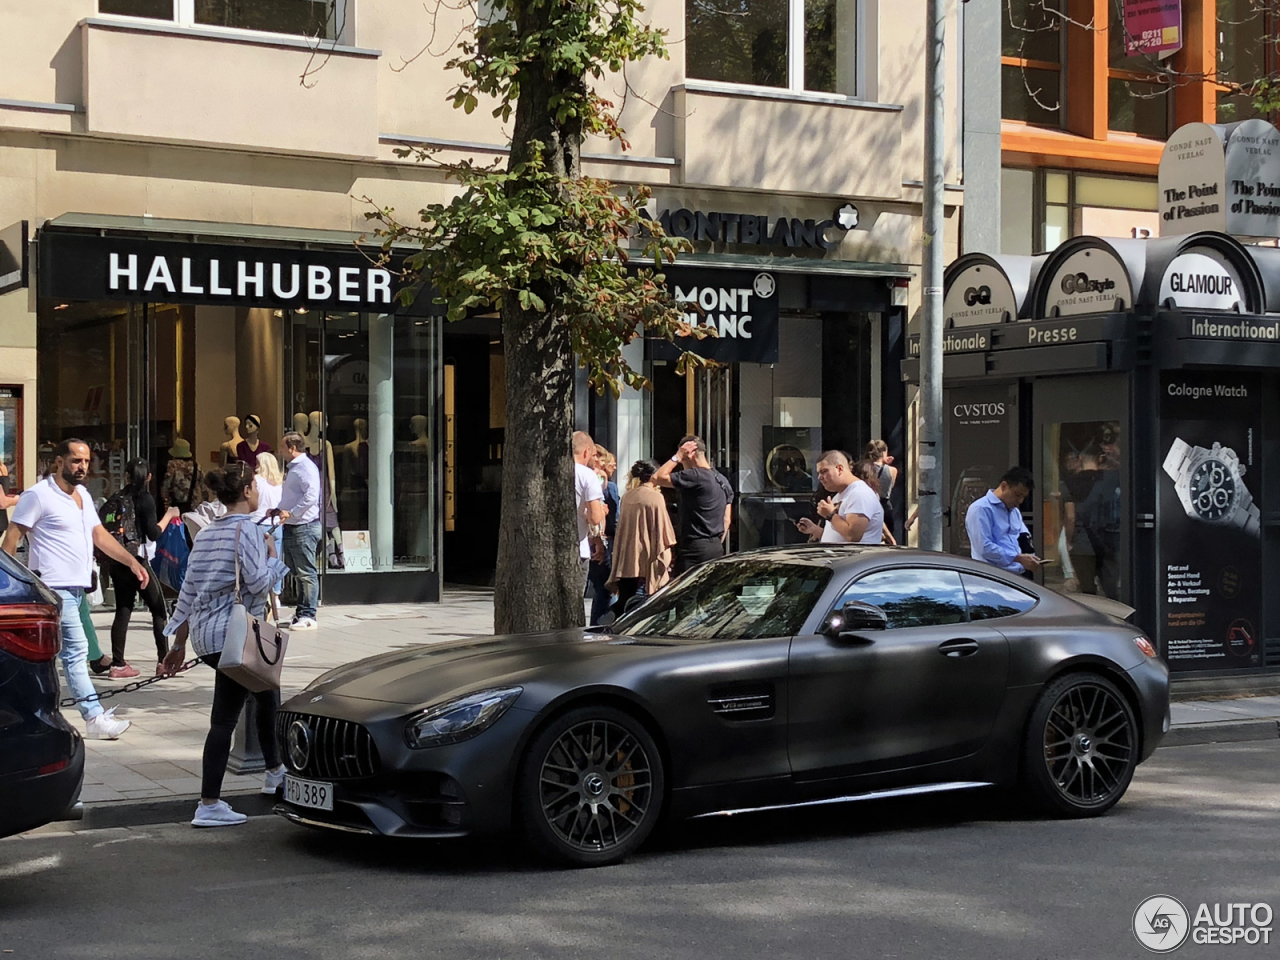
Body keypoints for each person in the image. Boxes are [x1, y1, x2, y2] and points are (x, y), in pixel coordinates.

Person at [160, 462, 290, 827]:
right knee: (225, 719)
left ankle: (274, 770)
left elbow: (188, 592)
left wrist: (179, 643)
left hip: (207, 636)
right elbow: (258, 583)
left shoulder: (205, 534)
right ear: (247, 491)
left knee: (267, 696)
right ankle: (209, 802)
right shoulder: (246, 531)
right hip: (235, 635)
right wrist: (274, 558)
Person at [0, 439, 150, 739]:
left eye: (85, 461)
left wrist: (132, 562)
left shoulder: (82, 494)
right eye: (75, 461)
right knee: (77, 650)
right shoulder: (39, 495)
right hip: (54, 589)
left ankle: (33, 713)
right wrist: (8, 581)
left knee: (51, 655)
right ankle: (93, 717)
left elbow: (99, 536)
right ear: (59, 462)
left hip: (78, 588)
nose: (82, 467)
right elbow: (12, 538)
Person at [105, 458, 180, 679]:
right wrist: (169, 515)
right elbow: (152, 534)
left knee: (123, 610)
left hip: (117, 560)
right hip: (138, 561)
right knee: (158, 609)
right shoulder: (145, 498)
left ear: (126, 476)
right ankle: (163, 662)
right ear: (148, 477)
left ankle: (118, 664)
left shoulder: (116, 497)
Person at [606, 459, 677, 618]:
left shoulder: (627, 497)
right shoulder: (656, 497)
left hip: (628, 560)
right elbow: (664, 533)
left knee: (625, 601)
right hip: (648, 558)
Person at [654, 435, 734, 573]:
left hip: (694, 547)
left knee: (686, 592)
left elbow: (657, 477)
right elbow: (726, 519)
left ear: (690, 454)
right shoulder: (722, 480)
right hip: (715, 546)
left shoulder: (695, 476)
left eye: (682, 461)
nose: (681, 465)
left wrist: (677, 456)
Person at [271, 432, 321, 630]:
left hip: (304, 526)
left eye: (283, 448)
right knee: (298, 570)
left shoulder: (305, 468)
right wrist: (280, 510)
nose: (281, 452)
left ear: (292, 448)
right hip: (294, 525)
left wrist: (291, 512)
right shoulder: (296, 468)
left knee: (306, 572)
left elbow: (311, 496)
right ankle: (301, 612)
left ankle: (309, 615)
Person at [964, 465, 1041, 578]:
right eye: (1017, 495)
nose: (1020, 501)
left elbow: (1023, 538)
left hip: (1018, 574)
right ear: (1004, 486)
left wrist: (1031, 558)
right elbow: (984, 547)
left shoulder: (1014, 511)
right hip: (992, 576)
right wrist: (1018, 558)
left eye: (1023, 497)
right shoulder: (981, 509)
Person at [796, 450, 884, 545]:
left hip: (855, 558)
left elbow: (852, 536)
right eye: (819, 473)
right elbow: (839, 537)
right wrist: (814, 529)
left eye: (824, 471)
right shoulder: (841, 495)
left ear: (840, 469)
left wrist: (830, 515)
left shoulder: (860, 493)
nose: (820, 477)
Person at [586, 445, 620, 625]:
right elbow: (612, 515)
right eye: (611, 463)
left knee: (601, 588)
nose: (614, 466)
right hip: (602, 540)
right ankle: (601, 625)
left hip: (593, 539)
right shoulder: (604, 483)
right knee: (607, 588)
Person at [572, 431, 606, 593]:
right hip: (578, 547)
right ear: (586, 451)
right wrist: (602, 511)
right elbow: (595, 517)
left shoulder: (552, 472)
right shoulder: (587, 475)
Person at [251, 452, 285, 597]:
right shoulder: (280, 483)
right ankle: (276, 594)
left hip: (257, 522)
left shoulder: (256, 481)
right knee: (275, 560)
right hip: (276, 525)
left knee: (257, 562)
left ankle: (261, 593)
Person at [161, 438, 204, 514]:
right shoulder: (196, 466)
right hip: (194, 506)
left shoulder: (173, 465)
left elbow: (166, 485)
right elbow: (203, 487)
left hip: (176, 504)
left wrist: (165, 501)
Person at [865, 440, 898, 536]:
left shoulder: (863, 469)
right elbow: (890, 486)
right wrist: (886, 463)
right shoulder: (892, 470)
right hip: (885, 506)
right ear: (884, 453)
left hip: (868, 505)